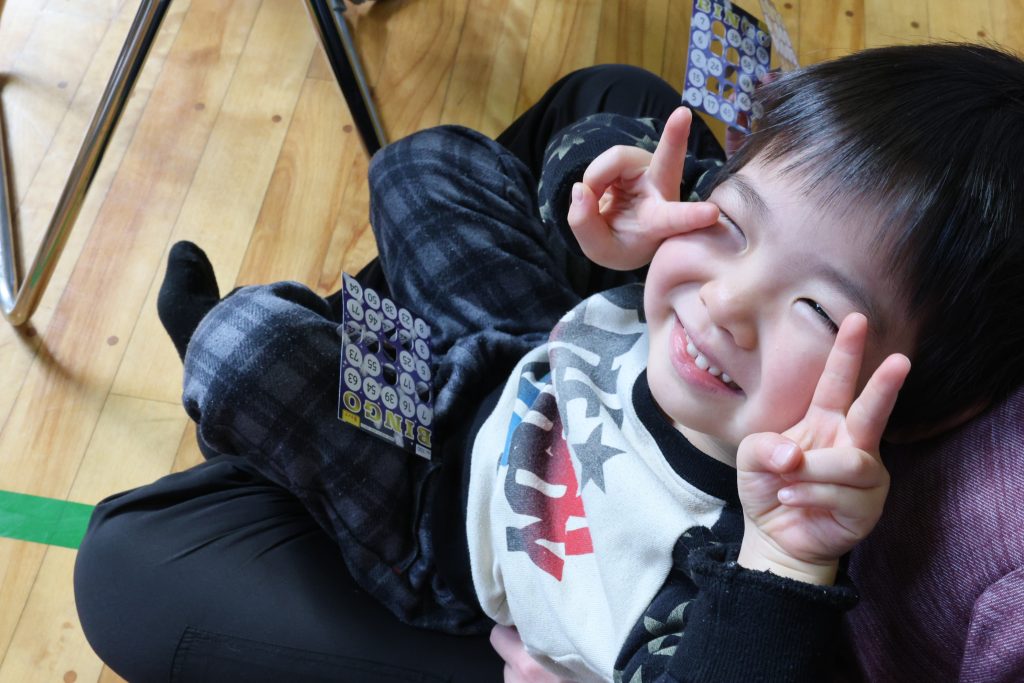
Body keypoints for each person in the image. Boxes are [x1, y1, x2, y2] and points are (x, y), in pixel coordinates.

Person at [73, 43, 1024, 682]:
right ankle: (328, 362)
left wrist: (786, 562)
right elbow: (649, 179)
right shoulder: (718, 297)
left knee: (248, 347)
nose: (723, 300)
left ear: (928, 404)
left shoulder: (752, 541)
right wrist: (609, 207)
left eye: (813, 309)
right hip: (514, 361)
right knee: (420, 165)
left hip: (439, 506)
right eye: (735, 224)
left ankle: (277, 381)